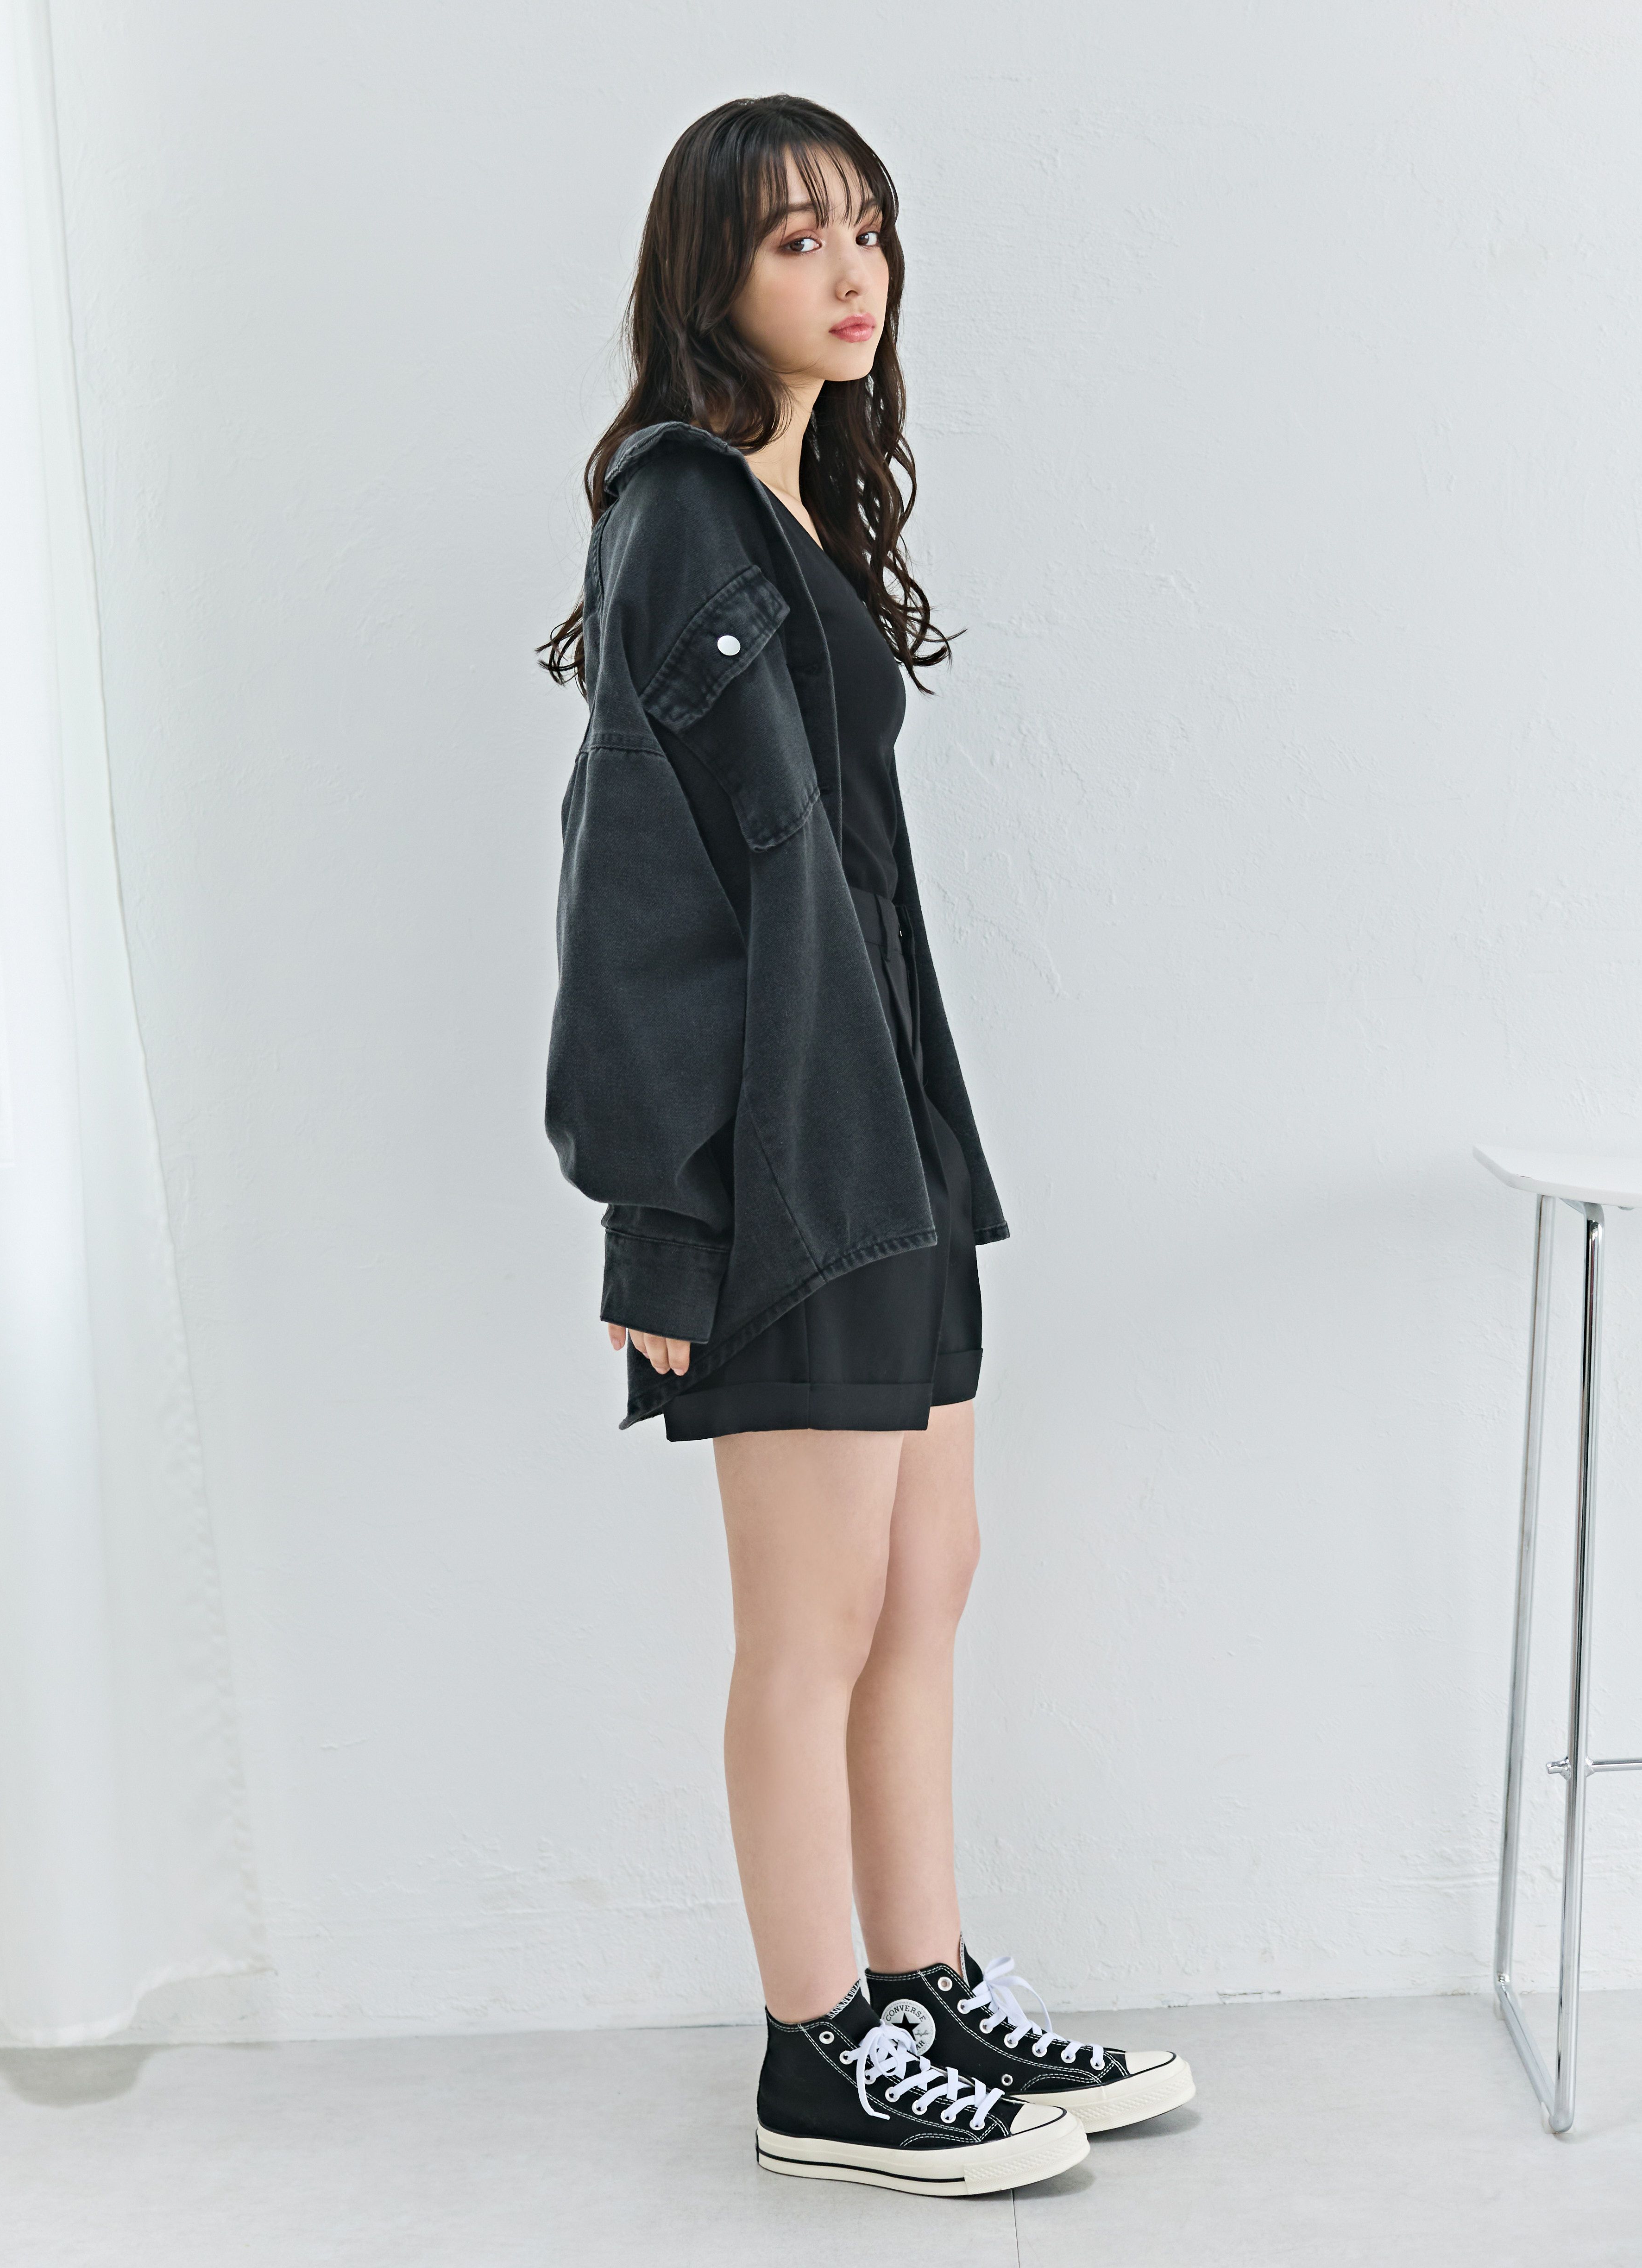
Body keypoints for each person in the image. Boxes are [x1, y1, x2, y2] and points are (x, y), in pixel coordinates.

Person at [540, 93, 1193, 2199]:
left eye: (868, 231)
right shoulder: (677, 514)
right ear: (708, 277)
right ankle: (813, 2049)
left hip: (890, 1138)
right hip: (780, 1171)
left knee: (926, 1581)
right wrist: (659, 1221)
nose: (850, 273)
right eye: (795, 238)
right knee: (809, 1624)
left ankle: (921, 1985)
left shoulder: (790, 515)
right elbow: (635, 888)